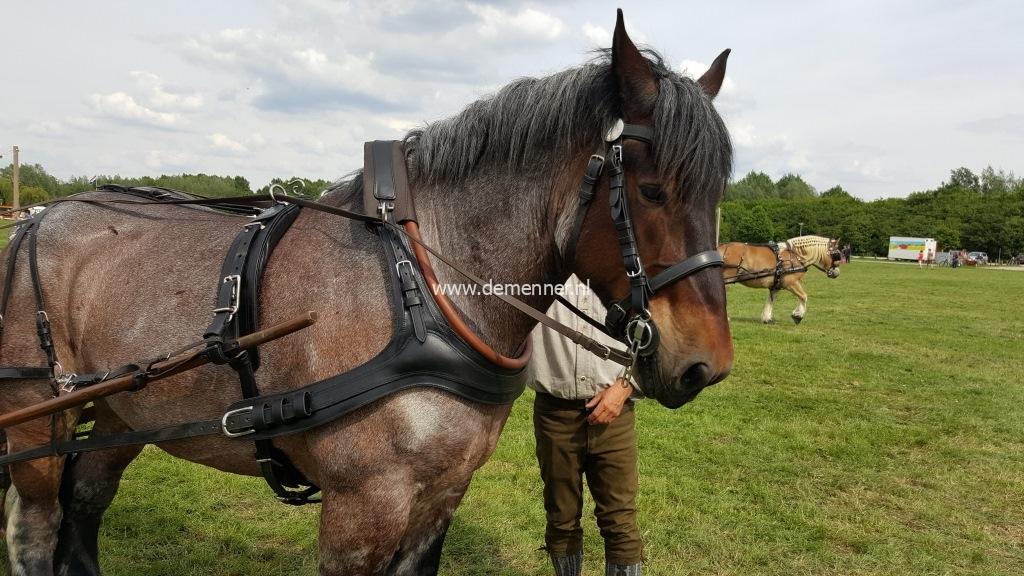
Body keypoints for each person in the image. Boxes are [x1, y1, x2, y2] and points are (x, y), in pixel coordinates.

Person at [528, 274, 644, 576]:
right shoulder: (538, 274)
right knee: (561, 517)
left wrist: (625, 386)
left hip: (615, 414)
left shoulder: (623, 275)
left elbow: (650, 338)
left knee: (620, 520)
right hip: (555, 414)